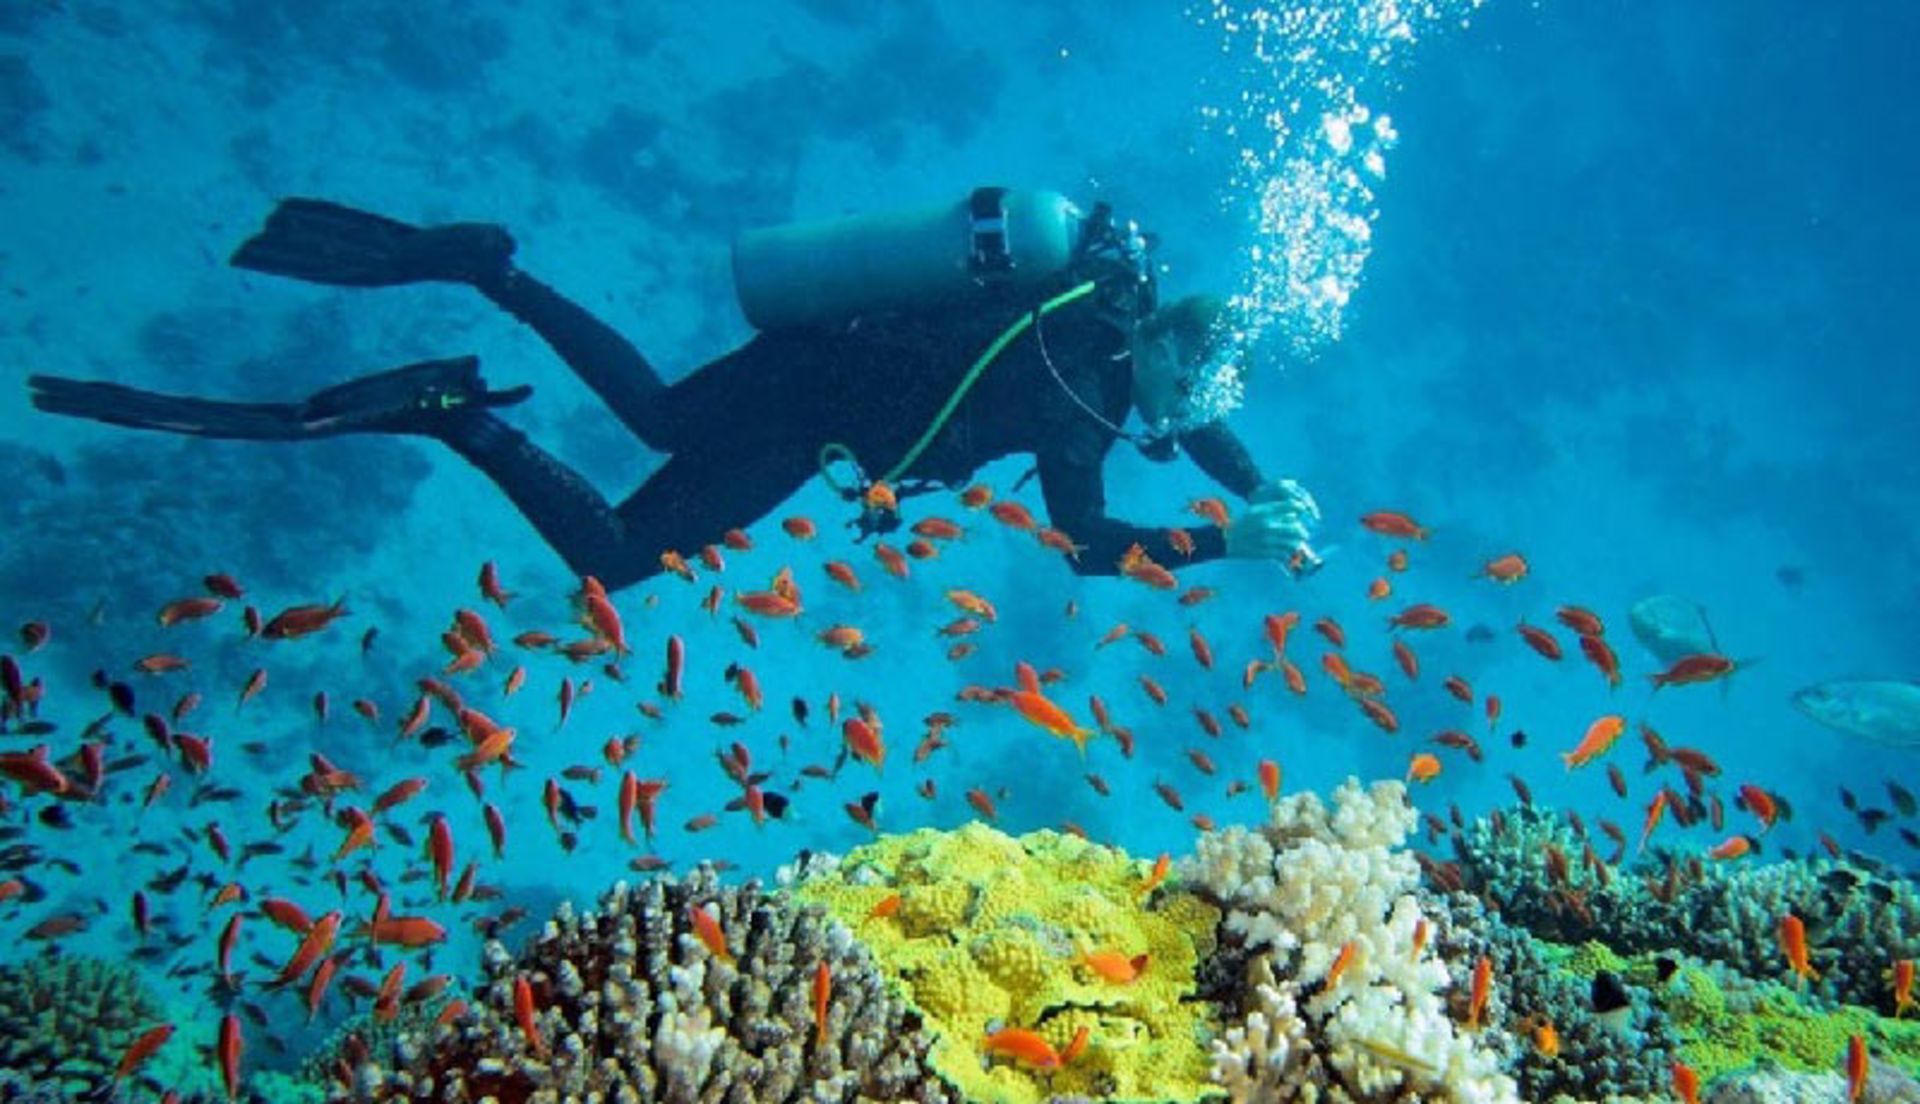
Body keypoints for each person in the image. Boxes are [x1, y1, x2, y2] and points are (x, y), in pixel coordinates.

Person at [28, 191, 1320, 591]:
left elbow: (1200, 421)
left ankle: (495, 285)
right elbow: (1088, 544)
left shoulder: (1111, 340)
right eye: (1183, 388)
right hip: (813, 410)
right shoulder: (1068, 378)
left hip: (817, 389)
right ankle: (457, 413)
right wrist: (1220, 541)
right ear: (1157, 346)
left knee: (648, 424)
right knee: (620, 558)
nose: (1185, 418)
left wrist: (1260, 493)